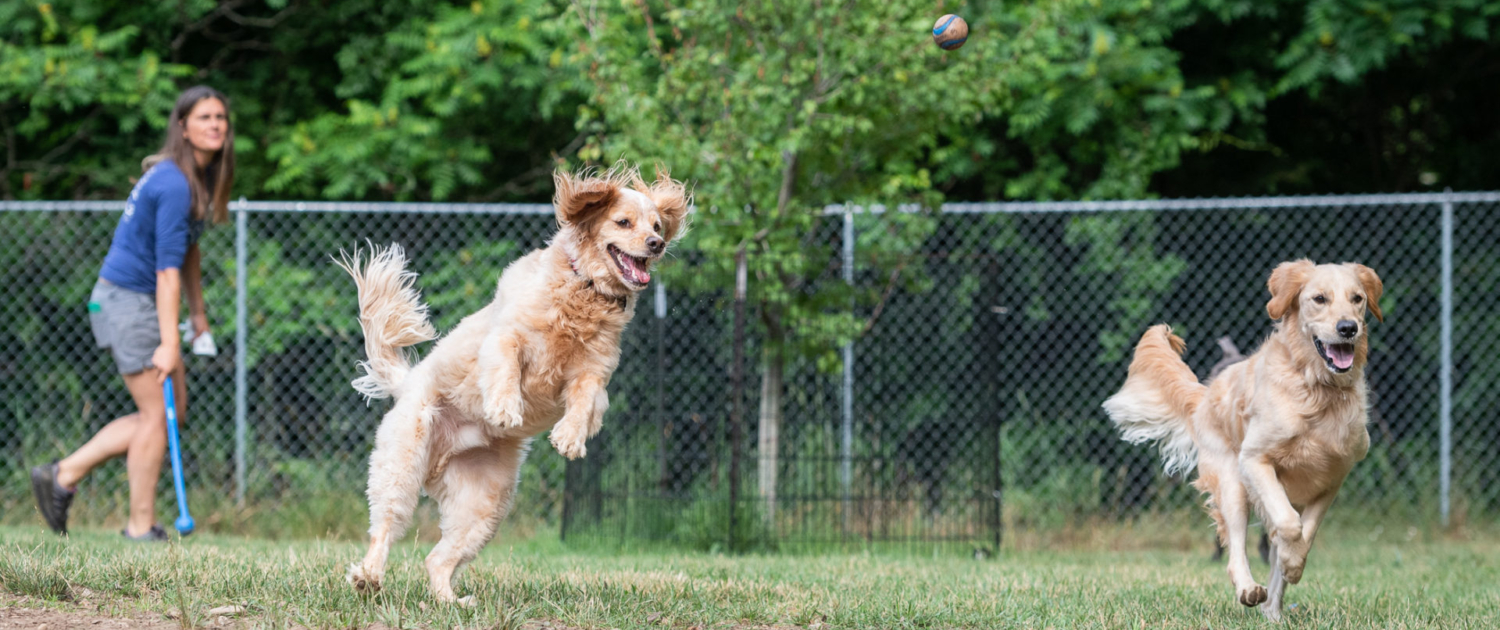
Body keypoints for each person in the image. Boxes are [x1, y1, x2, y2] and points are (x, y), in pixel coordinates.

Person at [31, 86, 235, 541]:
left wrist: (197, 312)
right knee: (156, 416)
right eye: (204, 117)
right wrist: (169, 341)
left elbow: (188, 251)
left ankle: (63, 474)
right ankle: (137, 524)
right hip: (129, 300)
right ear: (183, 126)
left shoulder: (195, 180)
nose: (216, 124)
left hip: (135, 300)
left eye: (220, 116)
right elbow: (165, 272)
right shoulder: (173, 182)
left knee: (169, 413)